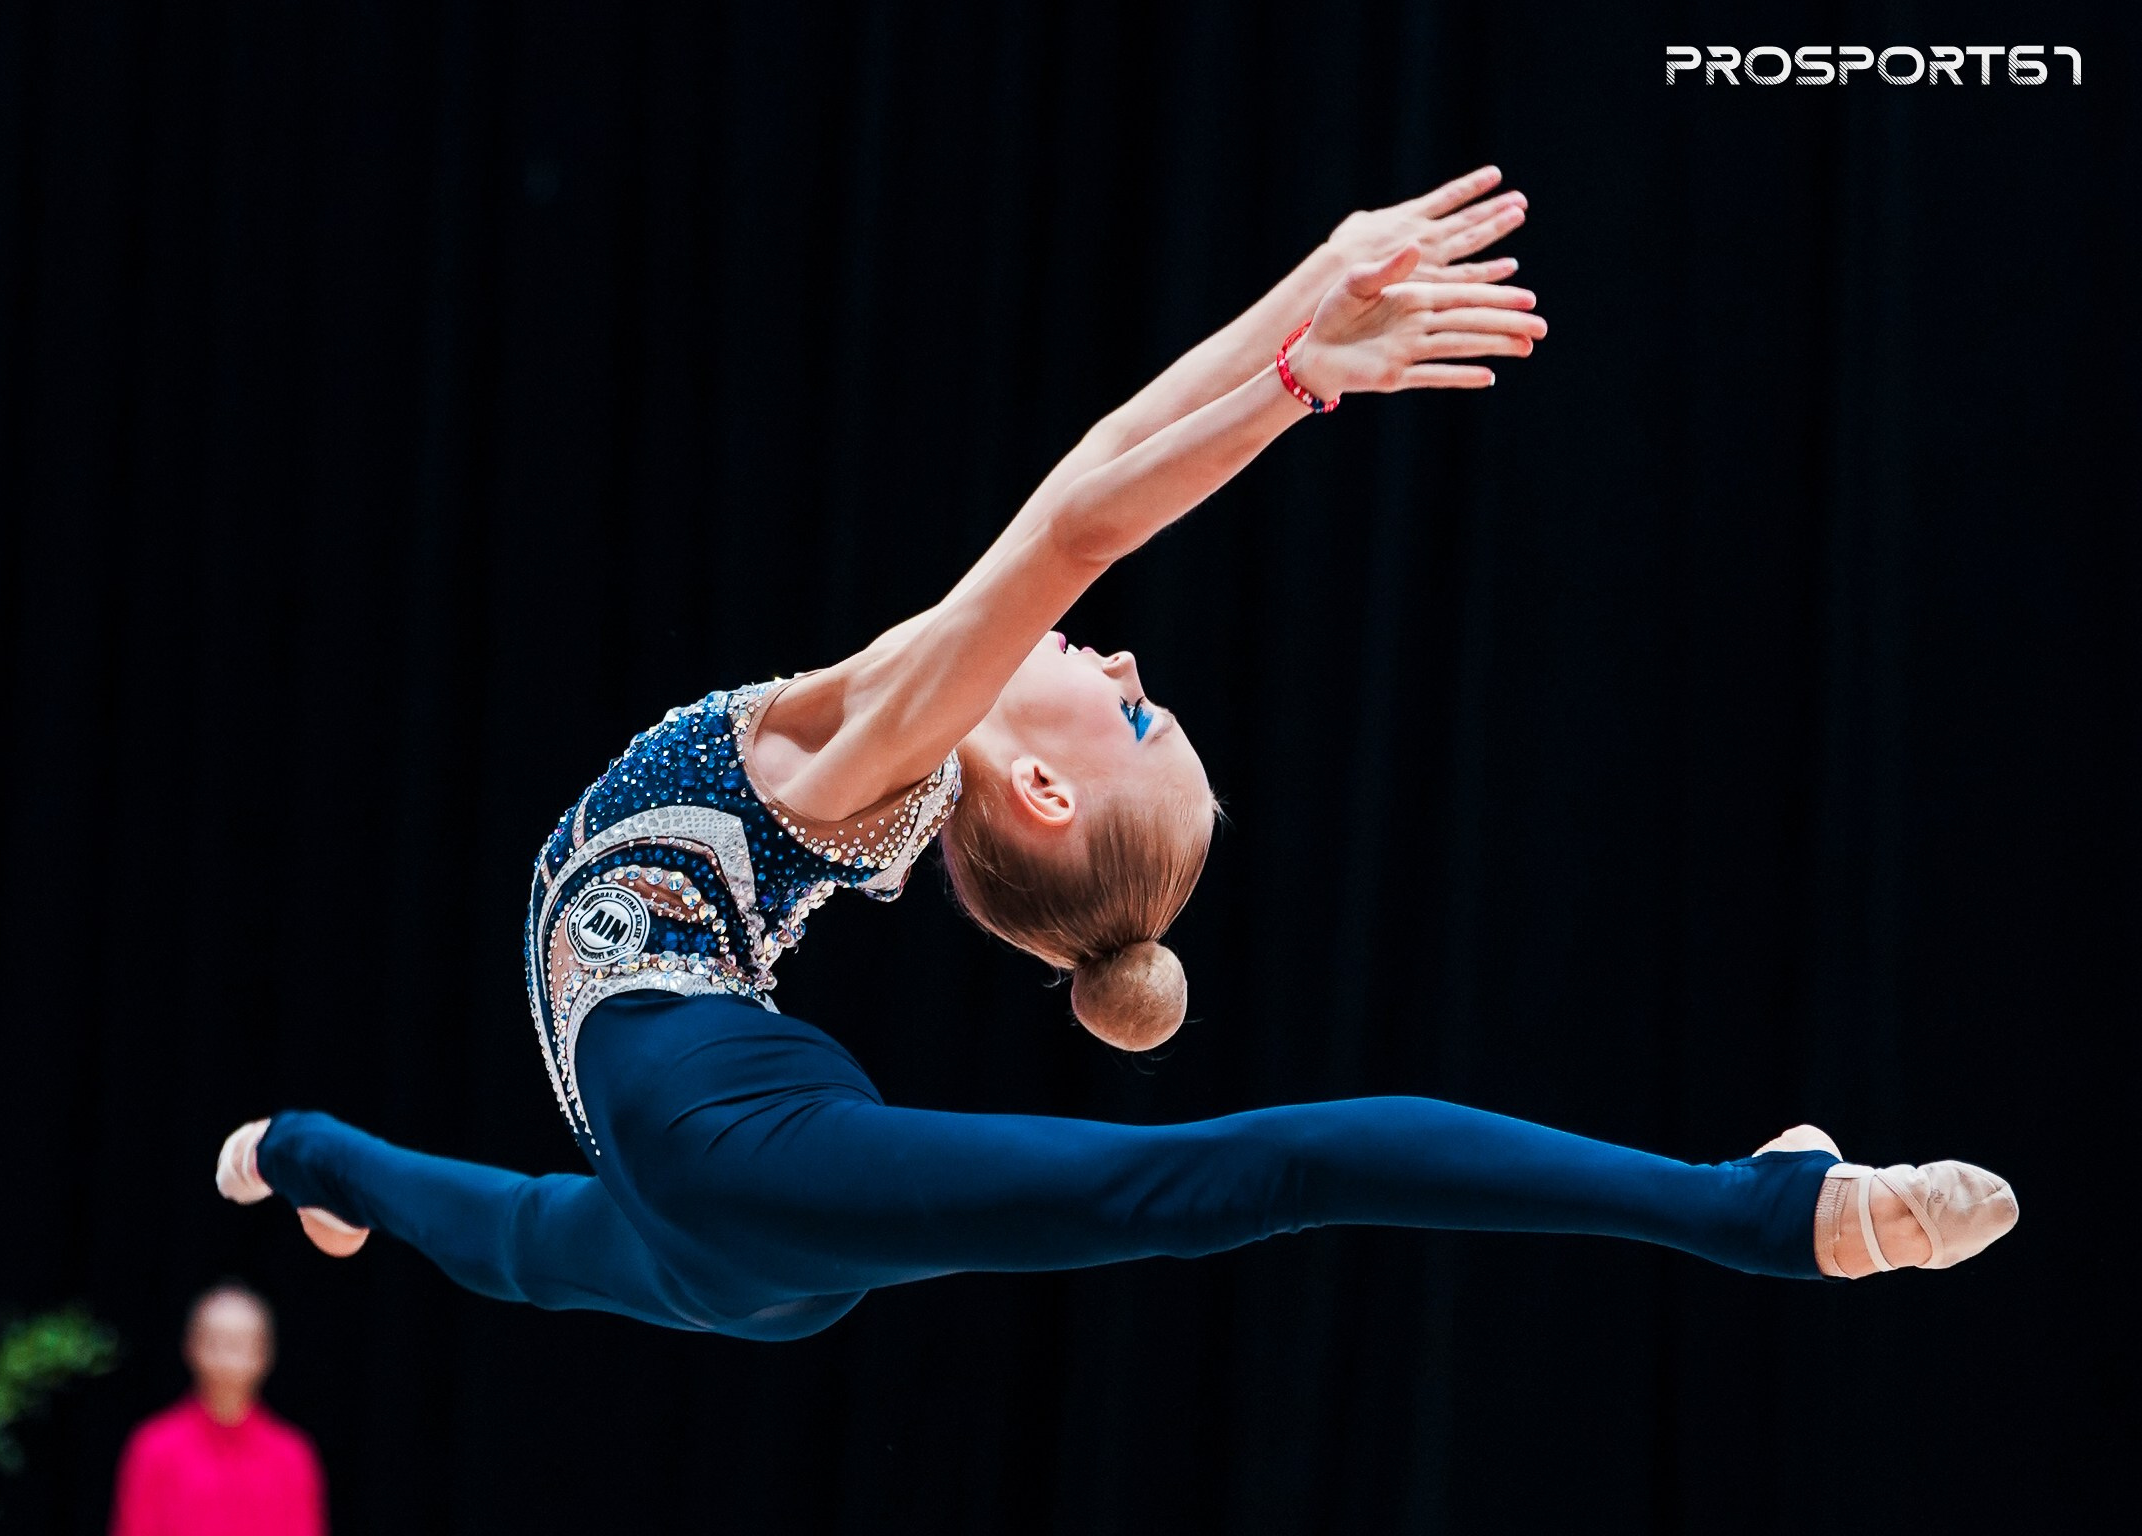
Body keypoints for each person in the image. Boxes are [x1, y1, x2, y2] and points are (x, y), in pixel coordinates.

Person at [216, 166, 2015, 1343]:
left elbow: (1080, 528)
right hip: (721, 1225)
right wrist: (1312, 288)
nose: (1135, 663)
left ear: (1051, 792)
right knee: (498, 1227)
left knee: (1249, 1176)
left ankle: (1761, 1214)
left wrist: (1308, 383)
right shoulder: (890, 714)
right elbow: (1085, 467)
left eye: (1140, 715)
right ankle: (297, 1158)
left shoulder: (870, 760)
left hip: (733, 1151)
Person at [110, 1286, 325, 1536]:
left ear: (265, 1354)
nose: (227, 1357)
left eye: (240, 1344)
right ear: (190, 1347)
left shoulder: (292, 1456)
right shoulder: (153, 1447)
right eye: (215, 1341)